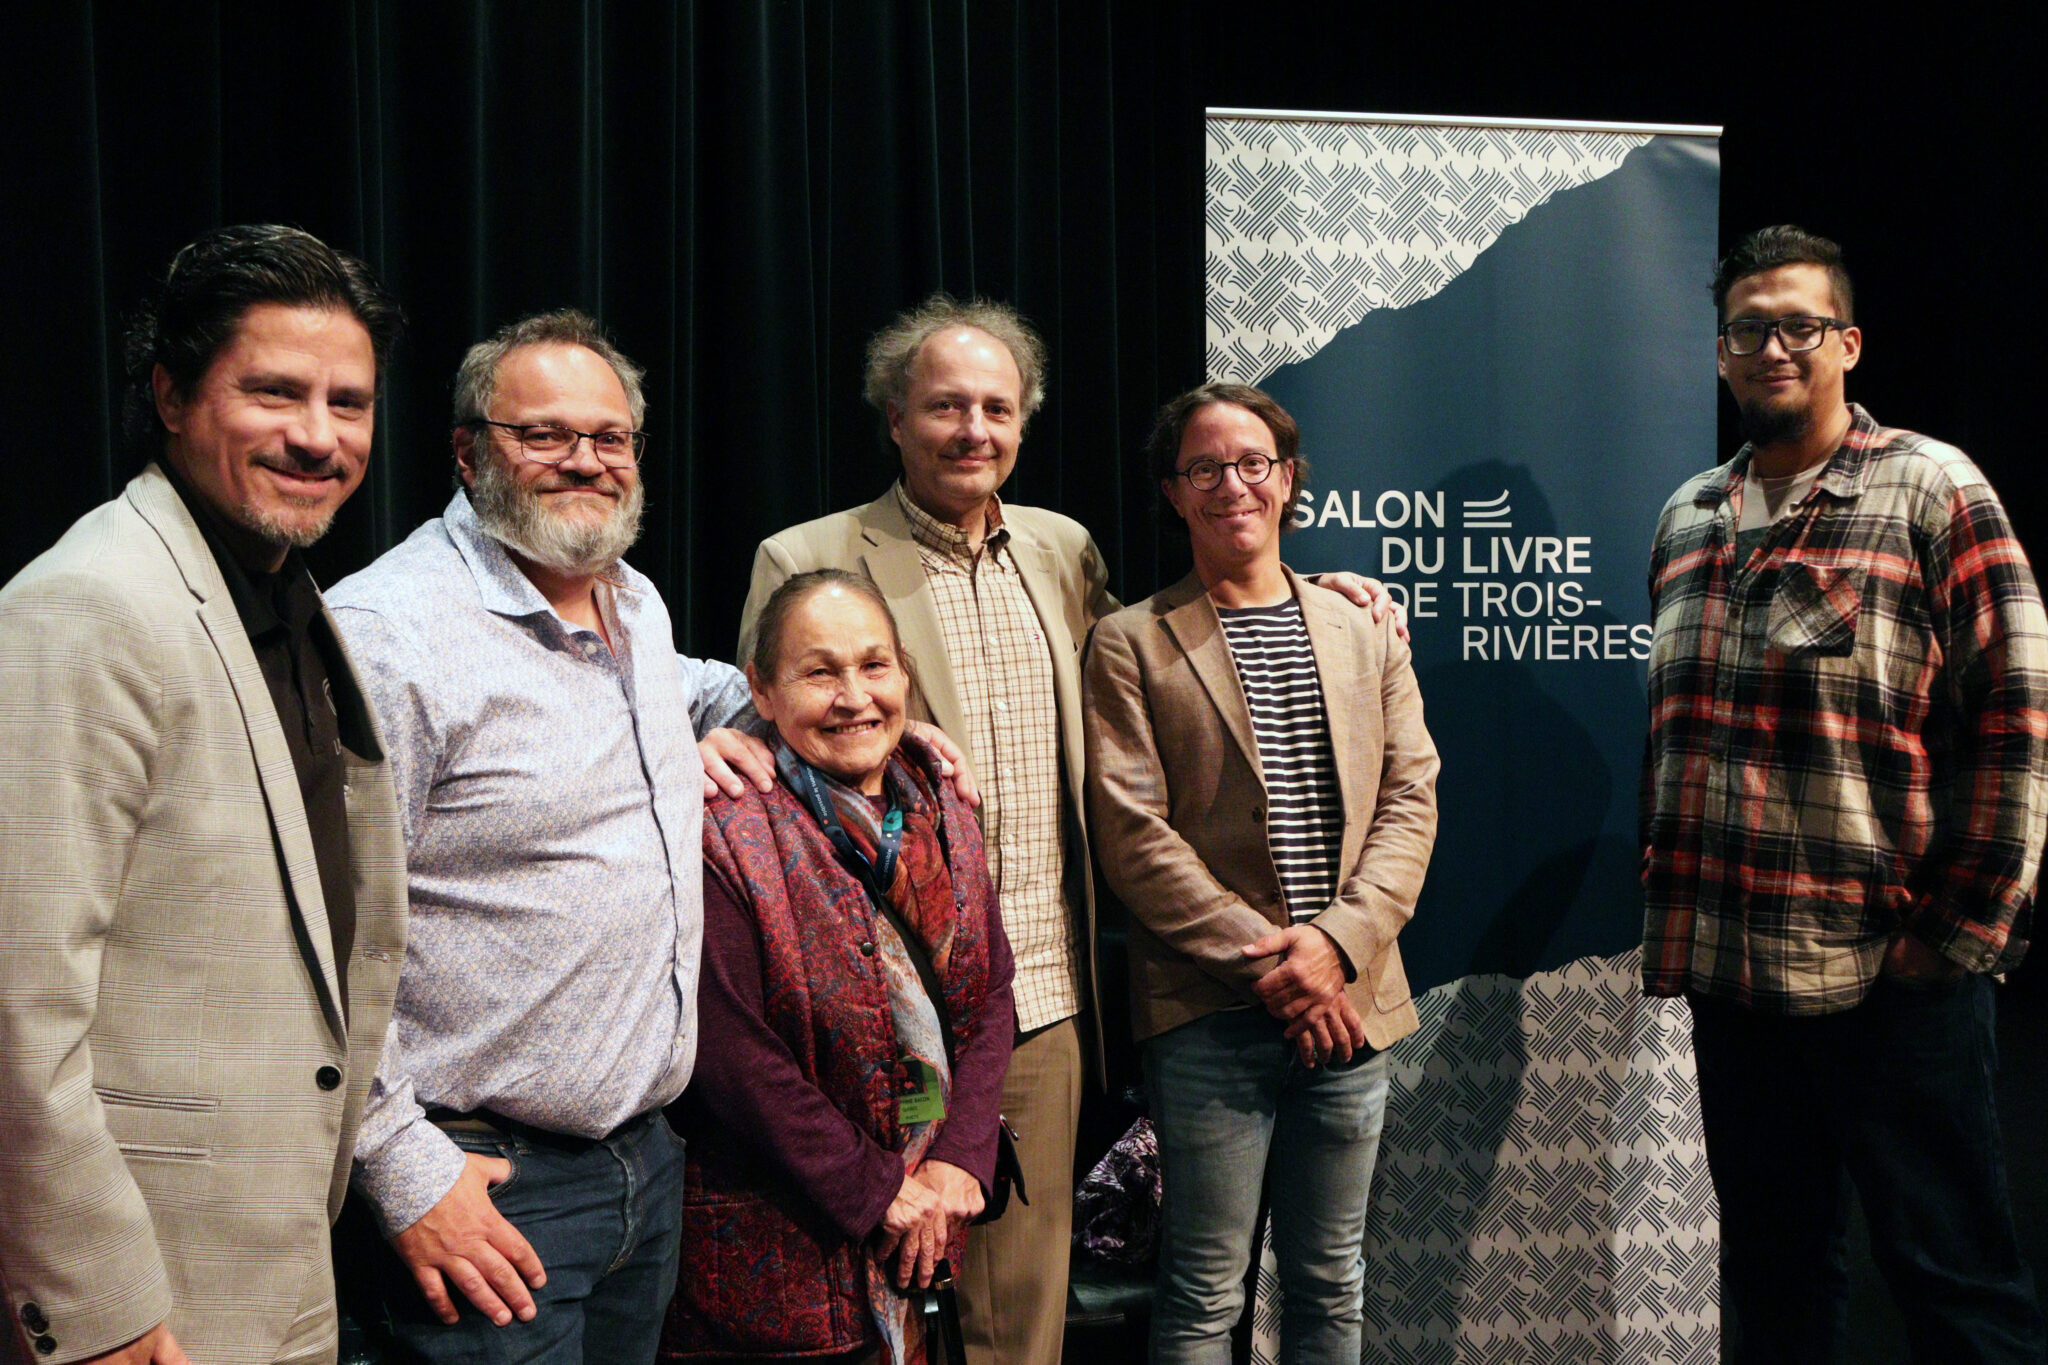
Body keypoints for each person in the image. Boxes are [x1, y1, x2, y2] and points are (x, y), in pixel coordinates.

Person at [739, 298, 1397, 1365]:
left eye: (996, 407)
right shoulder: (806, 555)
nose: (972, 428)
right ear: (893, 418)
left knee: (1019, 1323)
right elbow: (760, 730)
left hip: (1036, 1004)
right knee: (848, 1309)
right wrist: (712, 738)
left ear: (1023, 422)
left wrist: (1310, 595)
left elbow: (1179, 647)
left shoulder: (1061, 550)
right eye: (944, 405)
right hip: (864, 1007)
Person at [0, 224, 408, 1365]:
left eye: (349, 402)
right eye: (274, 393)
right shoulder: (87, 606)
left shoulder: (282, 596)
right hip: (144, 1298)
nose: (318, 438)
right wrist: (96, 1311)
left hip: (276, 1262)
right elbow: (15, 1004)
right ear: (171, 395)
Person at [1641, 225, 2048, 1362]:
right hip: (1730, 971)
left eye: (1797, 325)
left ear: (1846, 343)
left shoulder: (1930, 486)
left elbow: (2013, 716)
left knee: (1951, 1278)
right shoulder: (1686, 516)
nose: (1771, 347)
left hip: (1885, 972)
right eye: (1745, 329)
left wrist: (1955, 931)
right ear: (1718, 355)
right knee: (1772, 1276)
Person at [327, 311, 764, 1362]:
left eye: (610, 438)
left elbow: (696, 686)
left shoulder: (631, 599)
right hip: (479, 1182)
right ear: (469, 449)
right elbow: (314, 931)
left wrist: (822, 706)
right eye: (544, 435)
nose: (585, 462)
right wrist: (401, 1168)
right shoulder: (387, 636)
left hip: (645, 1168)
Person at [1083, 383, 1438, 1364]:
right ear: (1172, 490)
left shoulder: (1362, 626)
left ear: (1286, 481)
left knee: (1331, 1281)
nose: (1229, 484)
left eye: (1250, 464)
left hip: (1352, 1002)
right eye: (1203, 467)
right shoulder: (1128, 642)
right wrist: (1279, 970)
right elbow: (1131, 833)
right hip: (1205, 1016)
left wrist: (1333, 949)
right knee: (1202, 1288)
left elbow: (1410, 799)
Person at [660, 570, 1015, 1365]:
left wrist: (961, 1155)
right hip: (776, 1257)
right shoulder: (723, 827)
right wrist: (876, 1188)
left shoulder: (943, 802)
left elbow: (992, 992)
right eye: (820, 672)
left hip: (928, 1229)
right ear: (761, 687)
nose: (854, 696)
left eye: (874, 665)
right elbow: (730, 1054)